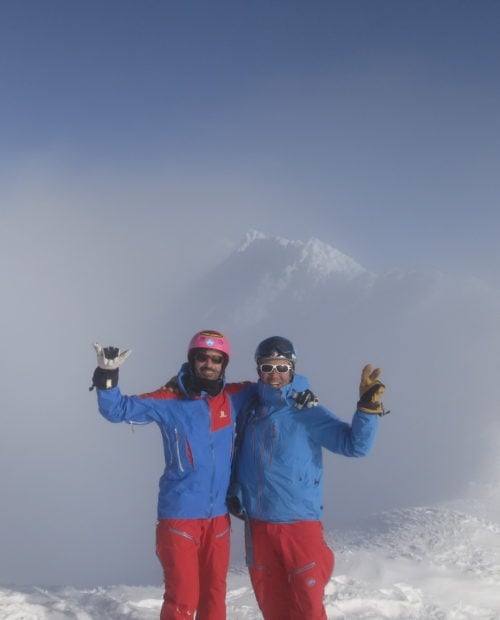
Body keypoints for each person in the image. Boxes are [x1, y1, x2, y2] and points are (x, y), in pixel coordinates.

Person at [90, 330, 257, 620]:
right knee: (183, 597)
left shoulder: (234, 397)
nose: (209, 363)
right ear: (192, 359)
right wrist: (107, 374)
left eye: (216, 359)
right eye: (202, 357)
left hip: (218, 519)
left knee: (214, 597)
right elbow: (117, 410)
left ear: (224, 364)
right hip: (179, 517)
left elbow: (275, 386)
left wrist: (302, 389)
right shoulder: (168, 400)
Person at [227, 336, 386, 620]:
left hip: (299, 524)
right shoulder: (250, 409)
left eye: (282, 367)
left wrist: (367, 409)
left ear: (293, 368)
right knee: (273, 608)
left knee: (309, 609)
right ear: (258, 370)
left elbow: (355, 446)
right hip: (259, 527)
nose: (275, 375)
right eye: (267, 367)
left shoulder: (305, 411)